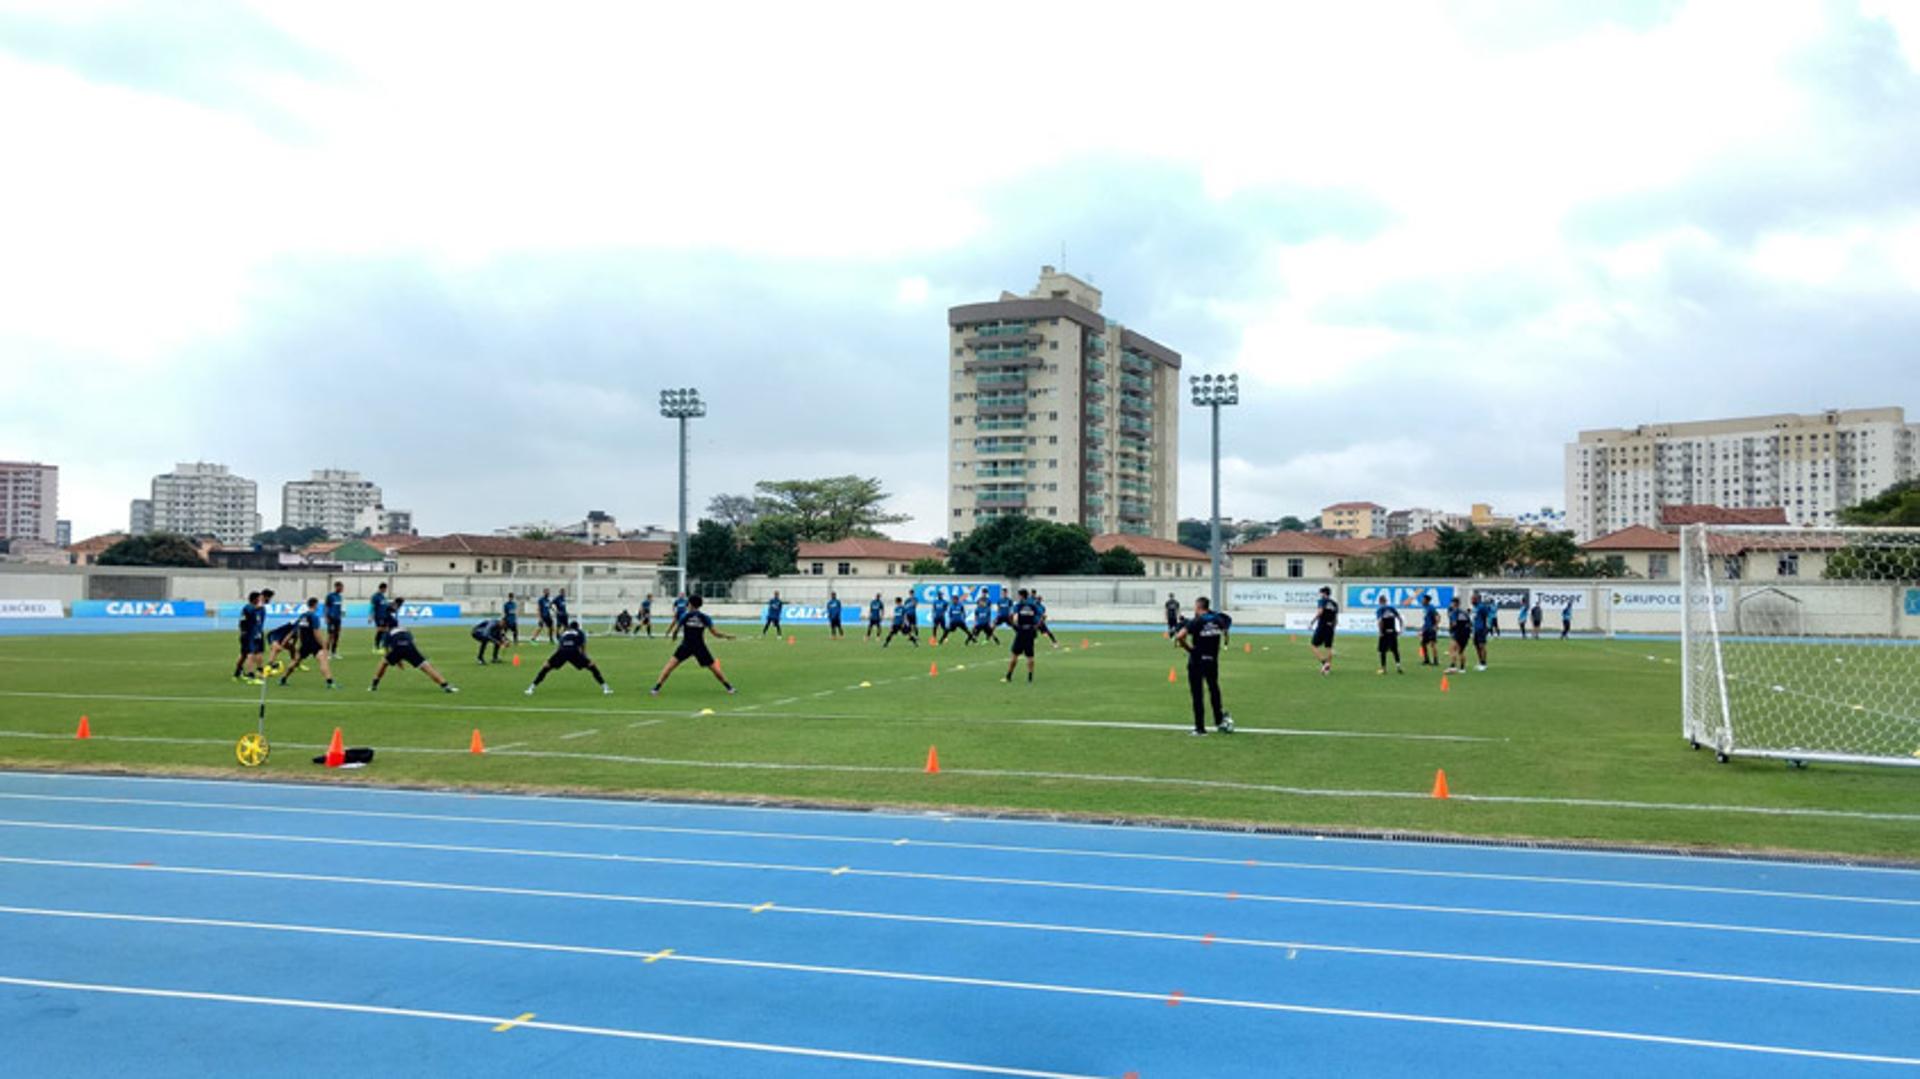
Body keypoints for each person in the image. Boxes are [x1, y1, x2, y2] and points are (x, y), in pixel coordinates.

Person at [1172, 596, 1234, 735]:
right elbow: (1226, 627)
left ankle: (1200, 728)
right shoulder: (1217, 620)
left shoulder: (1197, 621)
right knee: (1214, 689)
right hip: (1212, 660)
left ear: (1199, 607)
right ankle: (1219, 721)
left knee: (1197, 694)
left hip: (1197, 661)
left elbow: (1180, 636)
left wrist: (1189, 649)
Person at [651, 595, 735, 695]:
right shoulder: (704, 617)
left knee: (669, 666)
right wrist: (727, 636)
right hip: (700, 647)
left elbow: (676, 630)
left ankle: (656, 688)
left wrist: (674, 636)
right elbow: (715, 633)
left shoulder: (685, 616)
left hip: (686, 645)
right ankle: (729, 688)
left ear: (690, 604)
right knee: (714, 668)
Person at [369, 606, 459, 693]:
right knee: (426, 666)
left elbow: (387, 650)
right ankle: (445, 685)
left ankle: (374, 685)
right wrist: (416, 656)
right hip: (410, 647)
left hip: (397, 648)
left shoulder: (388, 633)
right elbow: (413, 642)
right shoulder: (405, 629)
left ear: (387, 626)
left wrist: (397, 662)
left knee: (383, 663)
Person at [528, 620, 612, 695]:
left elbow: (560, 646)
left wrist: (551, 660)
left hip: (562, 651)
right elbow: (583, 647)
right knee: (592, 666)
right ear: (578, 627)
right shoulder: (580, 632)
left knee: (546, 667)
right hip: (573, 651)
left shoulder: (565, 632)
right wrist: (586, 659)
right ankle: (605, 688)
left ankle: (531, 688)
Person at [276, 598, 337, 689]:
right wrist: (324, 645)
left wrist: (284, 641)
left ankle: (283, 679)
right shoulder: (314, 617)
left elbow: (294, 630)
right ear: (315, 605)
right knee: (323, 661)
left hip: (304, 644)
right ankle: (330, 682)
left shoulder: (302, 616)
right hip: (314, 644)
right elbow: (316, 633)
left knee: (295, 662)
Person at [1002, 589, 1042, 683]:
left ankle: (1009, 676)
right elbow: (1041, 616)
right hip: (1030, 632)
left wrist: (1014, 625)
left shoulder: (1019, 605)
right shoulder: (1033, 605)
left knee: (1015, 655)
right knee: (1030, 656)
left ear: (1021, 596)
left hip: (1021, 632)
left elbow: (1014, 617)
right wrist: (1036, 627)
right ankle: (1030, 677)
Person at [232, 590, 266, 684]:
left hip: (252, 635)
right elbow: (242, 622)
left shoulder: (257, 609)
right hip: (248, 635)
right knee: (250, 655)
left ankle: (237, 673)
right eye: (259, 598)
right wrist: (244, 633)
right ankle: (251, 677)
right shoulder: (248, 608)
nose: (260, 600)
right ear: (255, 599)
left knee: (243, 655)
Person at [1309, 586, 1339, 675]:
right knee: (1328, 647)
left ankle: (1324, 662)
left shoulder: (1322, 601)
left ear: (1324, 593)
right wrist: (1333, 628)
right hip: (1330, 627)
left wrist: (1312, 621)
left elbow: (1320, 612)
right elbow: (1336, 619)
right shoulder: (1334, 604)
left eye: (1321, 593)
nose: (1320, 595)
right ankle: (1327, 668)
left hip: (1322, 626)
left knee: (1313, 645)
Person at [1375, 597, 1404, 674]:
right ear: (1386, 601)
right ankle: (1398, 667)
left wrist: (1380, 632)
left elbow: (1380, 621)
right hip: (1393, 632)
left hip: (1385, 632)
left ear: (1380, 601)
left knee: (1382, 651)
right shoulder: (1392, 608)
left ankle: (1383, 669)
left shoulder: (1380, 609)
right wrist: (1400, 629)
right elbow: (1400, 619)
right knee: (1395, 650)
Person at [1445, 596, 1472, 673]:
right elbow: (1470, 624)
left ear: (1454, 603)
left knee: (1452, 649)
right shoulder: (1464, 612)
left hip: (1458, 633)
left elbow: (1454, 623)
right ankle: (1462, 669)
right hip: (1466, 634)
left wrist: (1452, 629)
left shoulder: (1454, 612)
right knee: (1461, 651)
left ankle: (1452, 666)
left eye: (1452, 603)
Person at [1471, 590, 1494, 671]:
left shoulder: (1482, 607)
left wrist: (1488, 627)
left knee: (1482, 646)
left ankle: (1484, 663)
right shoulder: (1475, 608)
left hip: (1481, 629)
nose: (1471, 600)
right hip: (1475, 630)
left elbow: (1488, 616)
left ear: (1478, 599)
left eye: (1473, 599)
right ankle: (1480, 662)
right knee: (1476, 646)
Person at [1417, 591, 1440, 667]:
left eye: (1423, 599)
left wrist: (1436, 626)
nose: (1422, 601)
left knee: (1432, 644)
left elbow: (1437, 616)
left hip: (1431, 629)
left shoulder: (1431, 607)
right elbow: (1426, 619)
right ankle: (1426, 659)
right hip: (1426, 629)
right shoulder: (1425, 608)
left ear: (1427, 600)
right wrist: (1422, 628)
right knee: (1423, 643)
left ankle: (1436, 660)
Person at [323, 582, 346, 656]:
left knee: (337, 635)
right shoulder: (330, 596)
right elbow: (326, 607)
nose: (342, 589)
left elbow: (340, 607)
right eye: (341, 587)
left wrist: (342, 613)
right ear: (337, 587)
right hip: (331, 618)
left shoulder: (339, 597)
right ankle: (326, 653)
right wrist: (326, 617)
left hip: (338, 619)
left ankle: (334, 652)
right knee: (330, 636)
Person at [370, 583, 393, 653]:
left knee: (386, 630)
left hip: (384, 616)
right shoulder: (375, 596)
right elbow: (373, 607)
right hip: (379, 617)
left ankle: (382, 646)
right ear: (382, 588)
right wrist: (371, 616)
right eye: (385, 589)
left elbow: (384, 606)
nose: (386, 590)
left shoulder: (382, 597)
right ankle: (376, 647)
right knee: (380, 630)